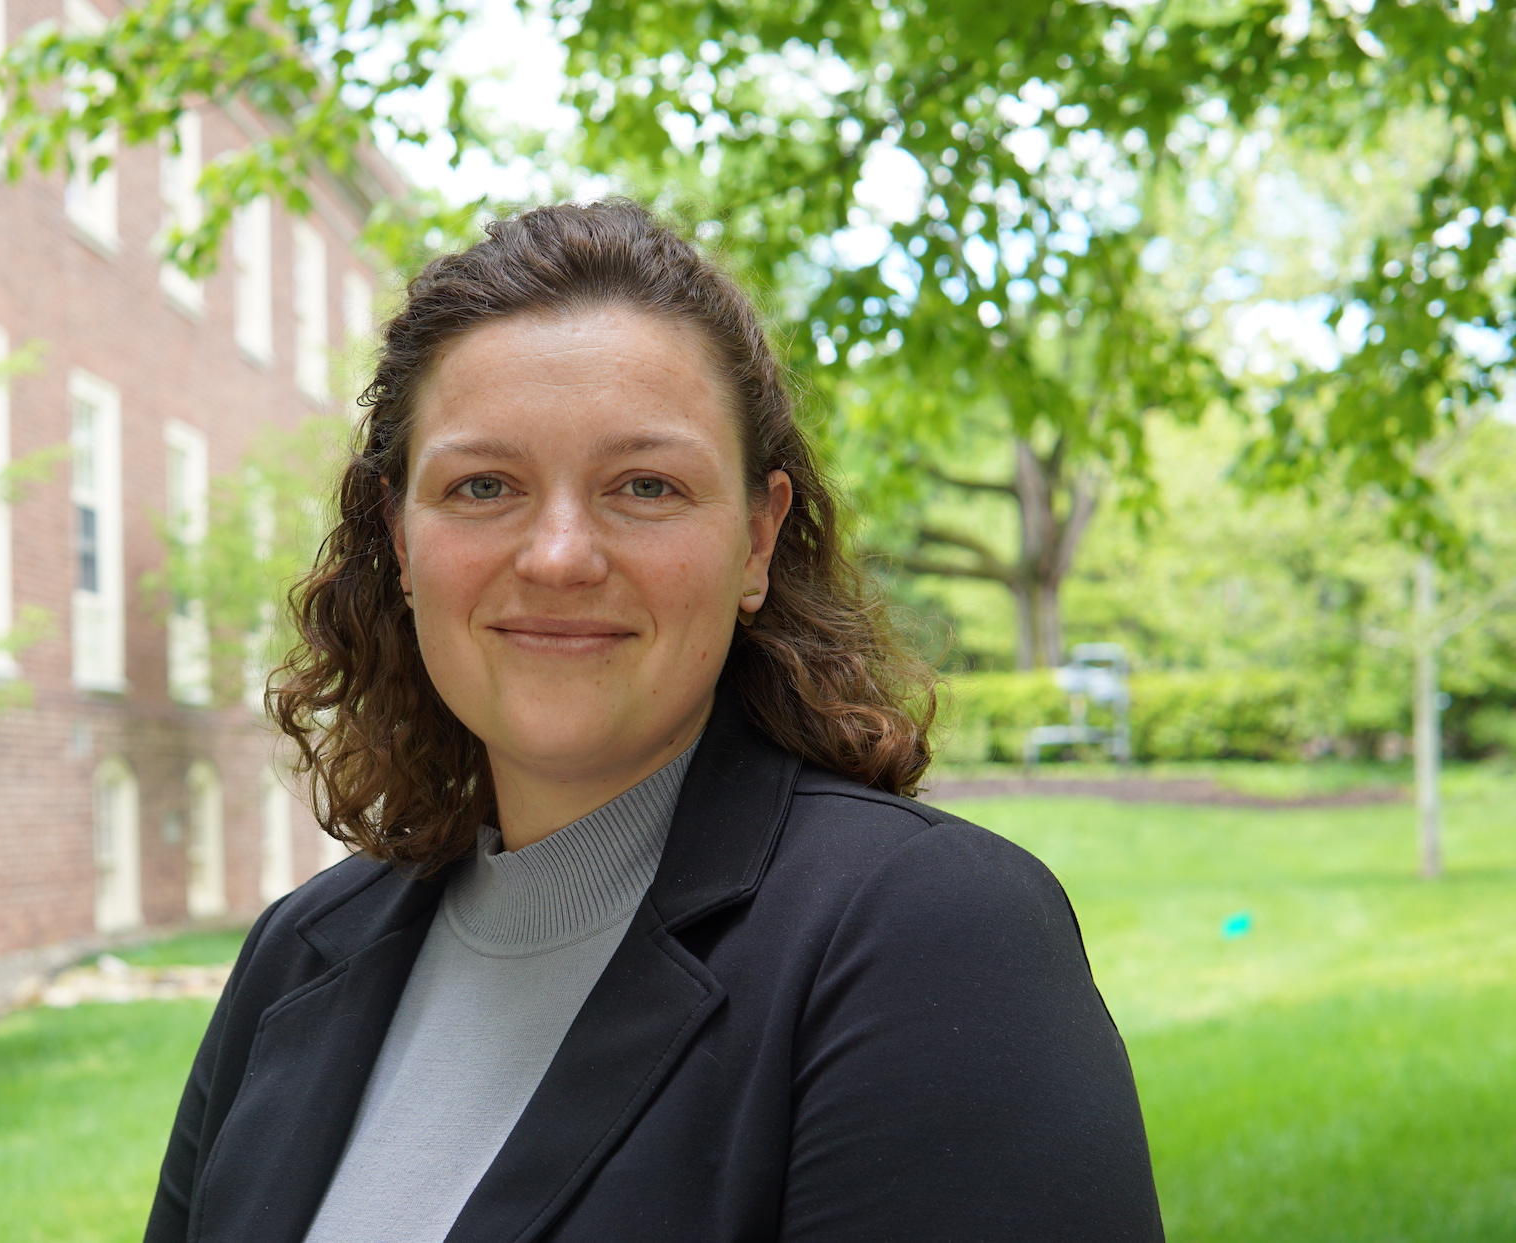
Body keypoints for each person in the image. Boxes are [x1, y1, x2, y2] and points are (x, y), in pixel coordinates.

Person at [144, 200, 1163, 1243]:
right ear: (400, 543)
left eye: (643, 485)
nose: (556, 555)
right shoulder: (298, 956)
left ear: (757, 542)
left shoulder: (931, 936)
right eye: (482, 484)